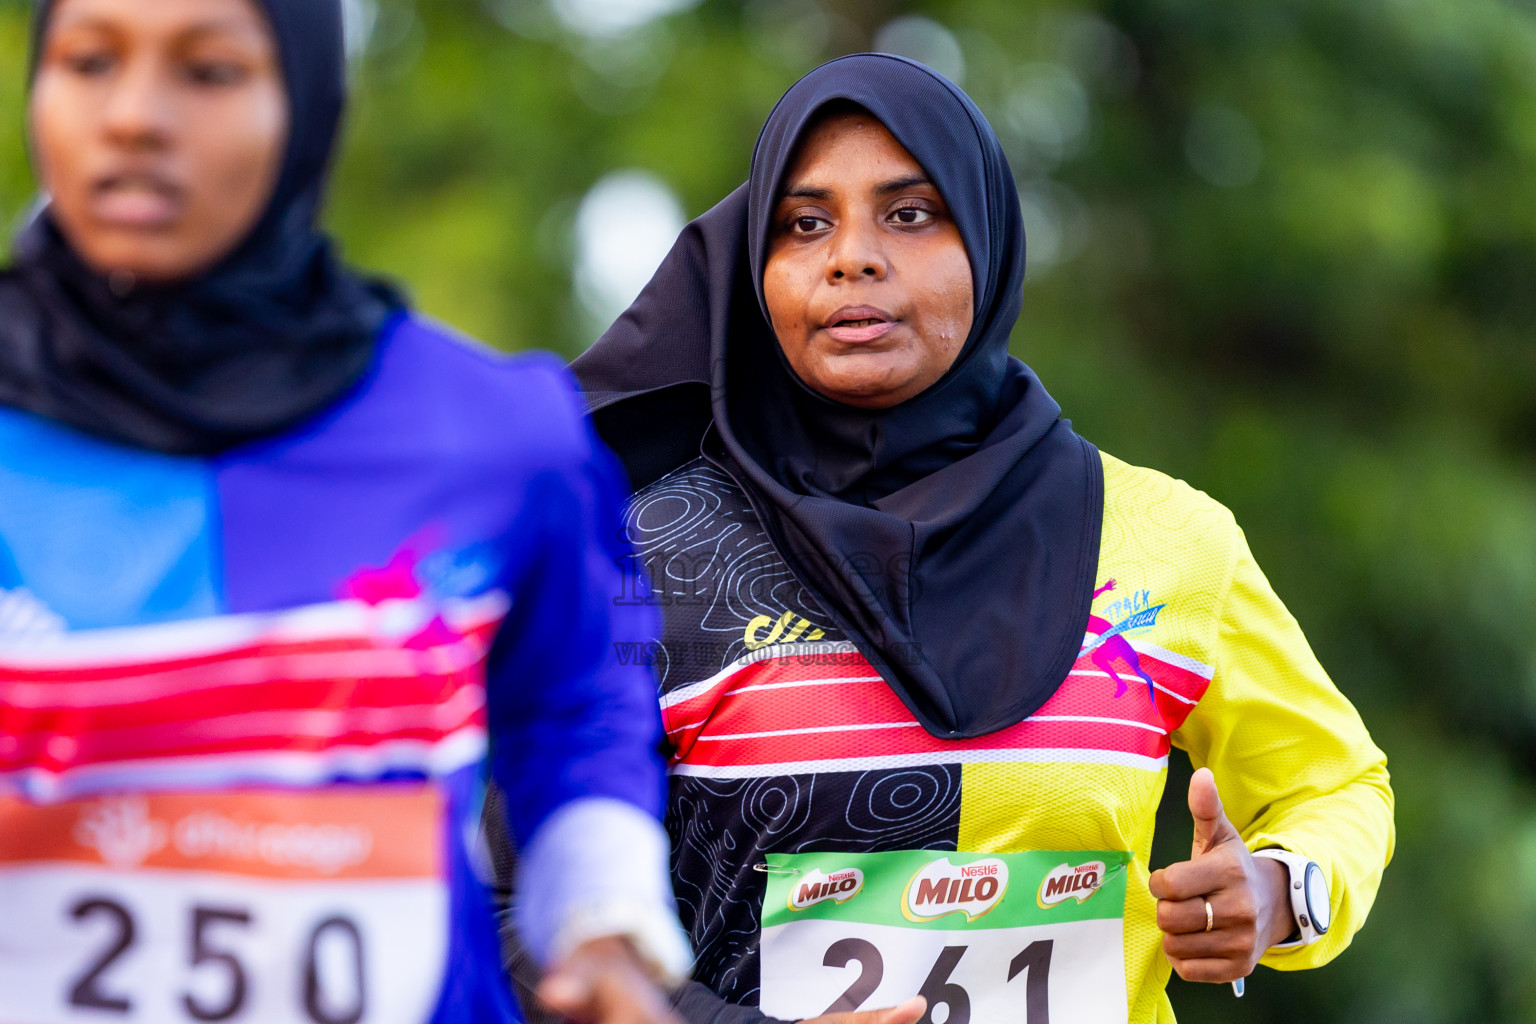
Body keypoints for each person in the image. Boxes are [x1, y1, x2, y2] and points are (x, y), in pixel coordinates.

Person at [573, 54, 1395, 1024]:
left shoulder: (1171, 537)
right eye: (805, 222)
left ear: (991, 239)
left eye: (909, 213)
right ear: (759, 266)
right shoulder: (644, 555)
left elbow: (1336, 784)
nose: (852, 256)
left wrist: (1281, 891)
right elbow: (525, 902)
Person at [0, 1, 688, 1022]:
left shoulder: (503, 433)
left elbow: (576, 700)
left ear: (309, 102)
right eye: (90, 61)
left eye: (210, 71)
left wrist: (604, 924)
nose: (134, 115)